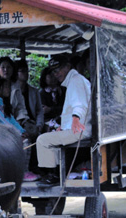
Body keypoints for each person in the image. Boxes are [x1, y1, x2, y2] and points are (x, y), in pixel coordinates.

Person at [36, 55, 92, 186]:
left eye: (58, 70)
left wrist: (75, 120)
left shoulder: (76, 81)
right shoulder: (76, 80)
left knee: (43, 140)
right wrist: (65, 126)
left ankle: (53, 175)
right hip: (81, 127)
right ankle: (57, 172)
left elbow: (79, 104)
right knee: (51, 137)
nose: (56, 74)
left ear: (67, 67)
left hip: (80, 129)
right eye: (54, 72)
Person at [0, 78, 40, 182]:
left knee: (29, 139)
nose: (9, 89)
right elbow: (4, 122)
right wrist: (18, 134)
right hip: (2, 136)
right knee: (25, 143)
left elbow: (12, 120)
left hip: (9, 134)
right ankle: (23, 172)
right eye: (7, 87)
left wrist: (22, 131)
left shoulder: (3, 102)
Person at [12, 59, 44, 138]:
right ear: (16, 73)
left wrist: (39, 124)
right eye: (22, 71)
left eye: (27, 71)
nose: (26, 74)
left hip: (33, 124)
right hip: (18, 125)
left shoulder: (34, 91)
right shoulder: (12, 91)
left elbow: (39, 110)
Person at [0, 56, 29, 123]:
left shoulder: (16, 86)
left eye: (8, 67)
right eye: (3, 67)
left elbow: (21, 107)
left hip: (15, 122)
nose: (6, 70)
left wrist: (19, 120)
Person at [39, 66, 65, 131]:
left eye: (54, 76)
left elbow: (65, 107)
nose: (53, 79)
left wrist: (50, 109)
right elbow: (43, 111)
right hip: (47, 122)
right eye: (50, 76)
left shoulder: (63, 90)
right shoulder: (41, 93)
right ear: (44, 78)